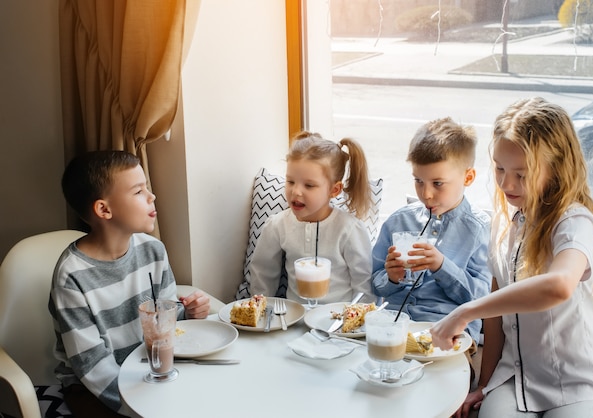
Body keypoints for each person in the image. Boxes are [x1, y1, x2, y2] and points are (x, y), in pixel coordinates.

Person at [431, 98, 593, 418]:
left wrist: (465, 312)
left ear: (557, 167)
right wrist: (485, 384)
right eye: (500, 168)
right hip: (514, 377)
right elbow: (496, 310)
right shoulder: (505, 222)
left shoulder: (574, 220)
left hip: (577, 382)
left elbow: (558, 286)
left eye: (522, 173)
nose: (506, 184)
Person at [49, 150, 211, 417]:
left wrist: (188, 313)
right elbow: (92, 366)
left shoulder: (153, 250)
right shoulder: (72, 277)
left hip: (147, 368)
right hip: (92, 389)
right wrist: (142, 407)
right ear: (104, 209)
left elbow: (166, 324)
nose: (152, 196)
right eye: (138, 191)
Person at [371, 117, 491, 345]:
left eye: (437, 183)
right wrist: (391, 278)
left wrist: (441, 266)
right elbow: (374, 283)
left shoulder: (479, 228)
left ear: (468, 177)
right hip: (394, 329)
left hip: (448, 334)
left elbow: (480, 300)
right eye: (418, 181)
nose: (426, 194)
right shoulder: (398, 221)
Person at [249, 131, 375, 303]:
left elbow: (364, 286)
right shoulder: (277, 225)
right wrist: (261, 310)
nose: (296, 191)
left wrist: (357, 321)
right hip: (295, 320)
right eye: (290, 182)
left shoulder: (349, 230)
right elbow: (262, 275)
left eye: (309, 185)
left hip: (339, 323)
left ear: (334, 190)